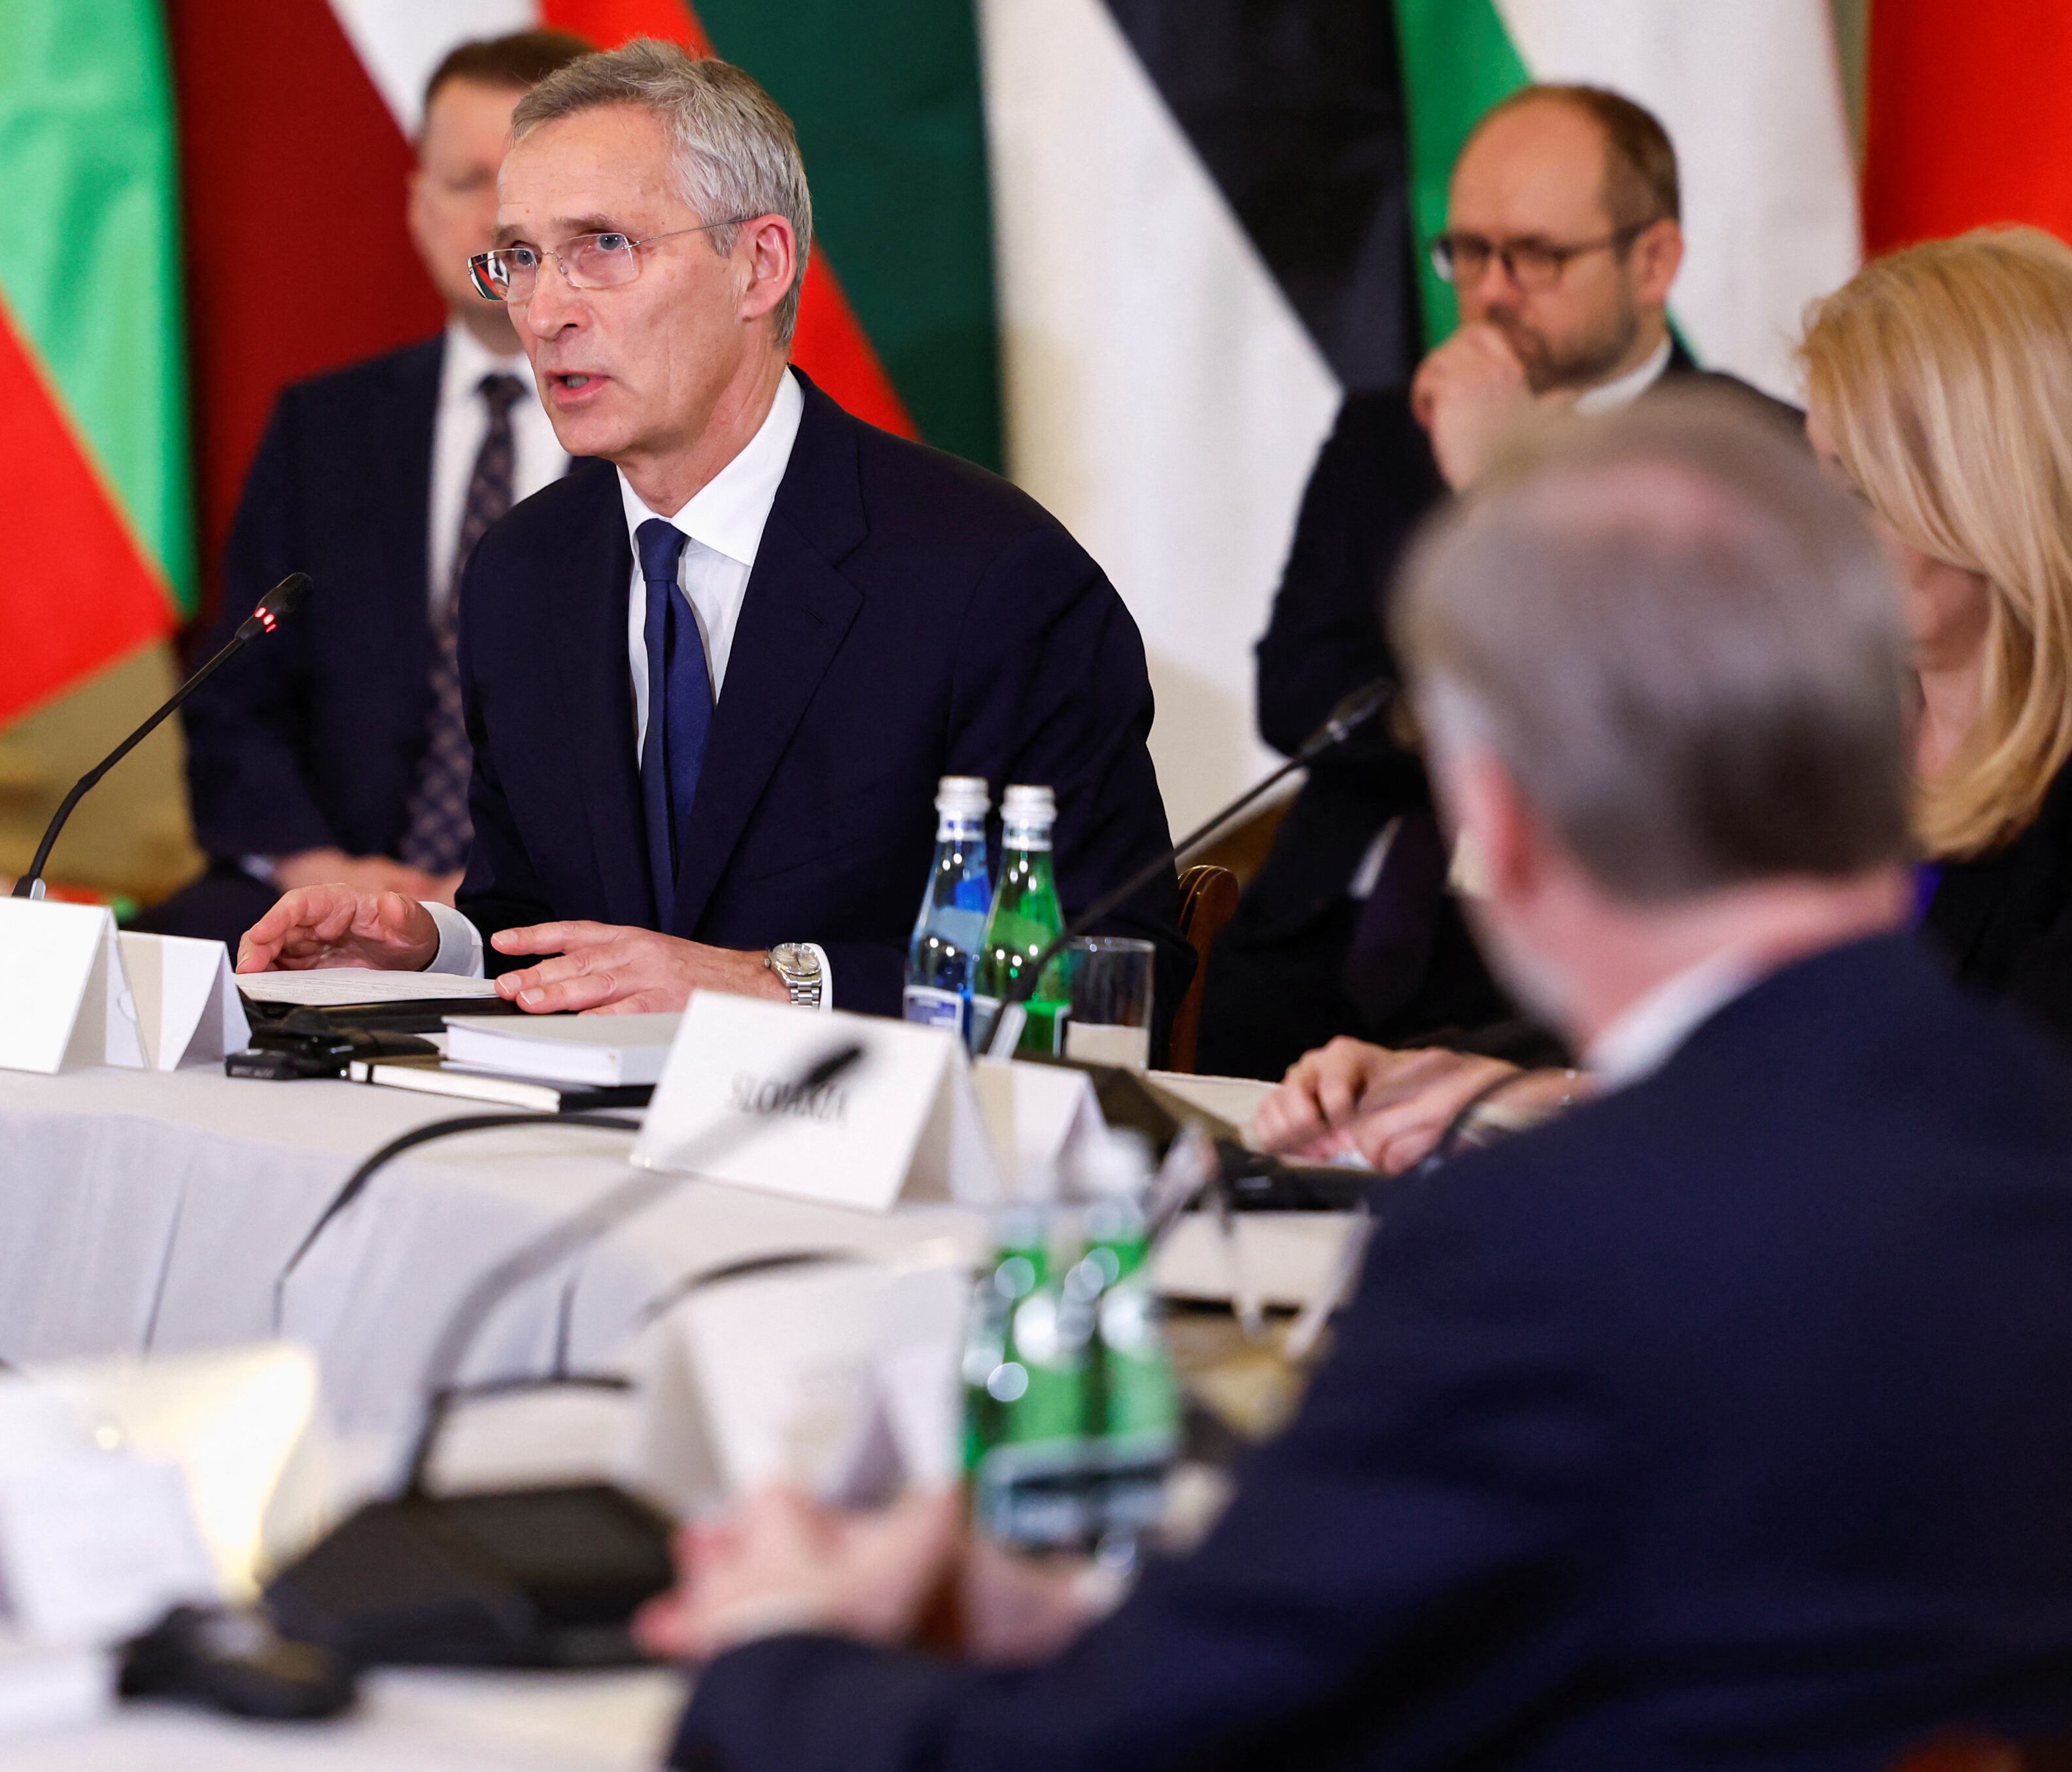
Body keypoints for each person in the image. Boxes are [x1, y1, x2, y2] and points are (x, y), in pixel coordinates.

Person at [651, 391, 2072, 1769]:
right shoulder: (2023, 1125)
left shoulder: (1538, 1249)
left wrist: (775, 1654)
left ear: (1498, 820)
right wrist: (1077, 1618)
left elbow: (1124, 1753)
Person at [236, 40, 1184, 1017]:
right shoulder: (525, 571)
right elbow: (537, 913)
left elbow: (1105, 972)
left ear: (759, 264)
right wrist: (435, 949)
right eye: (520, 258)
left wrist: (772, 985)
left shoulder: (993, 580)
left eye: (603, 246)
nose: (547, 311)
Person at [1262, 227, 2072, 1170]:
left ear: (1996, 496)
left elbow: (1974, 1122)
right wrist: (1463, 1080)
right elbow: (1684, 1013)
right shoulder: (1811, 739)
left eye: (1857, 493)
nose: (1816, 538)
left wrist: (1546, 1100)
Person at [1203, 84, 1782, 1079]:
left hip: (1564, 950)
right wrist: (1455, 720)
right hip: (1331, 922)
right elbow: (1297, 693)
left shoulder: (1744, 455)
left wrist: (1494, 486)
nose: (1493, 290)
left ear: (1656, 261)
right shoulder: (1387, 429)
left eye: (1537, 255)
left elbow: (1638, 721)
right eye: (1468, 252)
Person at [147, 29, 593, 950]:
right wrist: (320, 871)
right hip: (318, 888)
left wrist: (478, 890)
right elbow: (233, 698)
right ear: (419, 206)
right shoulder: (326, 429)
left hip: (561, 917)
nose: (497, 216)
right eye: (468, 183)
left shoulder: (661, 442)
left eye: (525, 184)